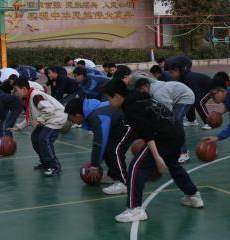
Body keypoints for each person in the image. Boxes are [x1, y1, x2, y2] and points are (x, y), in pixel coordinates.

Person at [103, 79, 204, 223]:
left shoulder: (130, 109)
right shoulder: (137, 94)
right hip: (177, 131)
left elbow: (147, 134)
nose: (108, 103)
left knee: (136, 166)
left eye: (109, 99)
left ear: (117, 96)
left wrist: (156, 157)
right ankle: (194, 196)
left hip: (163, 137)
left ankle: (135, 209)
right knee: (173, 165)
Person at [65, 98, 135, 195]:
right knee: (108, 149)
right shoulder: (93, 109)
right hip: (120, 125)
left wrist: (95, 165)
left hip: (129, 124)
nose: (73, 122)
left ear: (78, 115)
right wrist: (96, 163)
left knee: (115, 151)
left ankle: (124, 183)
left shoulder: (96, 116)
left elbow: (99, 142)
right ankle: (113, 176)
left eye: (71, 119)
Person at [11, 78, 68, 177]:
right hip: (47, 119)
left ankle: (55, 167)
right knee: (35, 138)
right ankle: (45, 162)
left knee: (44, 138)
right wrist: (19, 127)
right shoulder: (28, 98)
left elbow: (49, 110)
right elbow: (31, 117)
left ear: (24, 89)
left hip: (56, 118)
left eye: (16, 90)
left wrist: (38, 121)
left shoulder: (36, 96)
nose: (15, 93)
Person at [134, 78, 196, 163]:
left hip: (185, 97)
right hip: (178, 98)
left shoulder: (158, 94)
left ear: (145, 86)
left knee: (175, 124)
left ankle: (184, 153)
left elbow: (168, 112)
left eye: (141, 90)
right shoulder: (153, 89)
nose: (141, 93)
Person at [164, 56, 212, 130]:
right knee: (188, 99)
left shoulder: (188, 78)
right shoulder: (181, 78)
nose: (170, 75)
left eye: (171, 73)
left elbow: (197, 94)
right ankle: (192, 120)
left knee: (199, 102)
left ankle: (209, 123)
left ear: (177, 71)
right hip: (201, 89)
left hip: (210, 88)